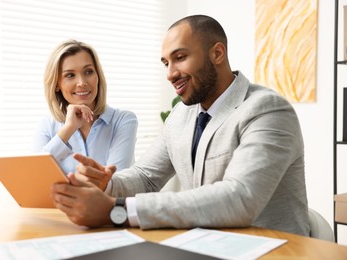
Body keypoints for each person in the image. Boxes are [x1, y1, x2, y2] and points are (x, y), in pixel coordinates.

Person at [51, 16, 310, 236]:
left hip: (274, 251)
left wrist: (115, 209)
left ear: (217, 53)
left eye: (180, 57)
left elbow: (240, 197)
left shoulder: (267, 110)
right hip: (208, 246)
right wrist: (107, 184)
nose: (170, 73)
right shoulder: (181, 115)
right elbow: (146, 177)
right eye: (166, 63)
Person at [33, 40, 138, 175]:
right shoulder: (48, 125)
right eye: (70, 75)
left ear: (98, 76)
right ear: (57, 84)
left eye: (88, 72)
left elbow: (115, 182)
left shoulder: (123, 120)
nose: (82, 83)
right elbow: (35, 174)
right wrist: (68, 128)